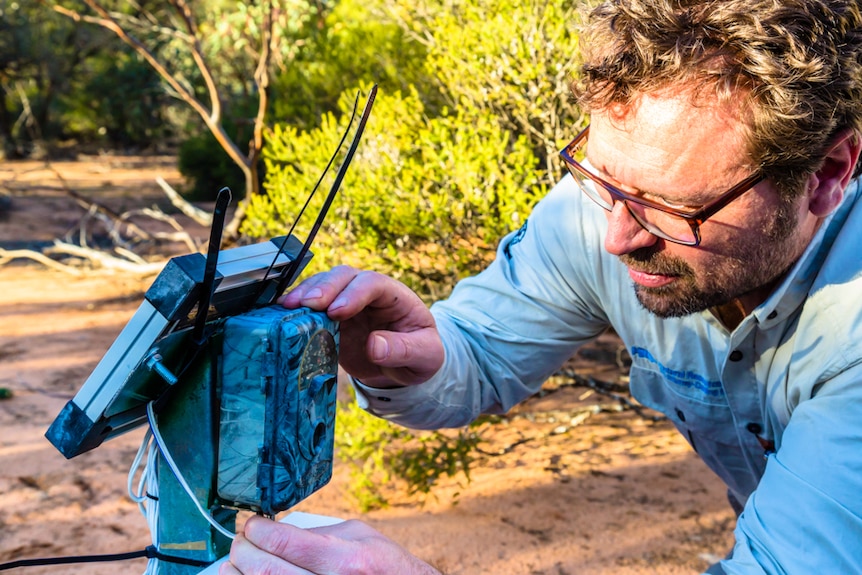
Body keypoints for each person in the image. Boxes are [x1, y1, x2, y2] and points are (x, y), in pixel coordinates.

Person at [221, 0, 862, 573]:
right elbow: (483, 352)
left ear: (829, 172)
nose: (617, 238)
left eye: (673, 207)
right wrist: (412, 358)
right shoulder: (604, 215)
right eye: (606, 178)